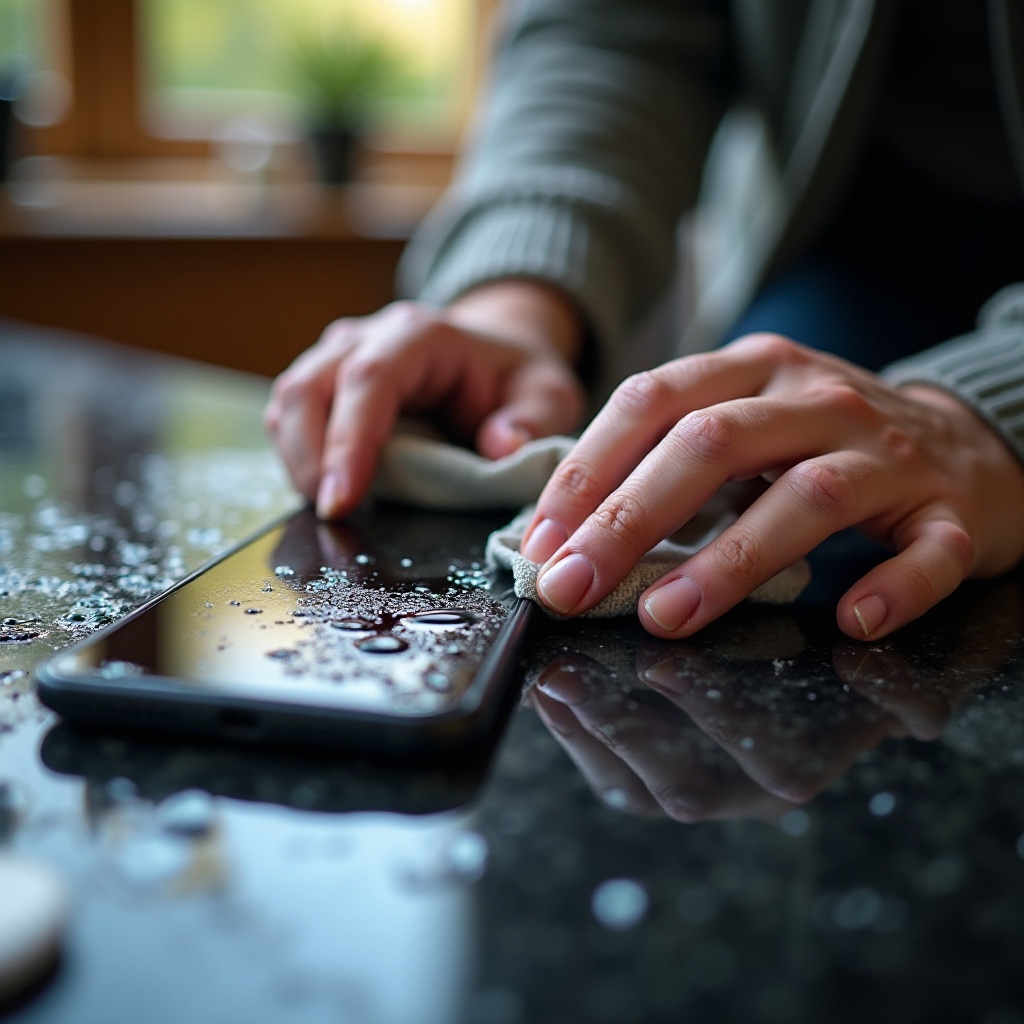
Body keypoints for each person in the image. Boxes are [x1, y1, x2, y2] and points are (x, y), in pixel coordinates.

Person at [264, 0, 1024, 643]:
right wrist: (517, 298)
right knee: (755, 509)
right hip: (839, 249)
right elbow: (611, 28)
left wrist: (992, 413)